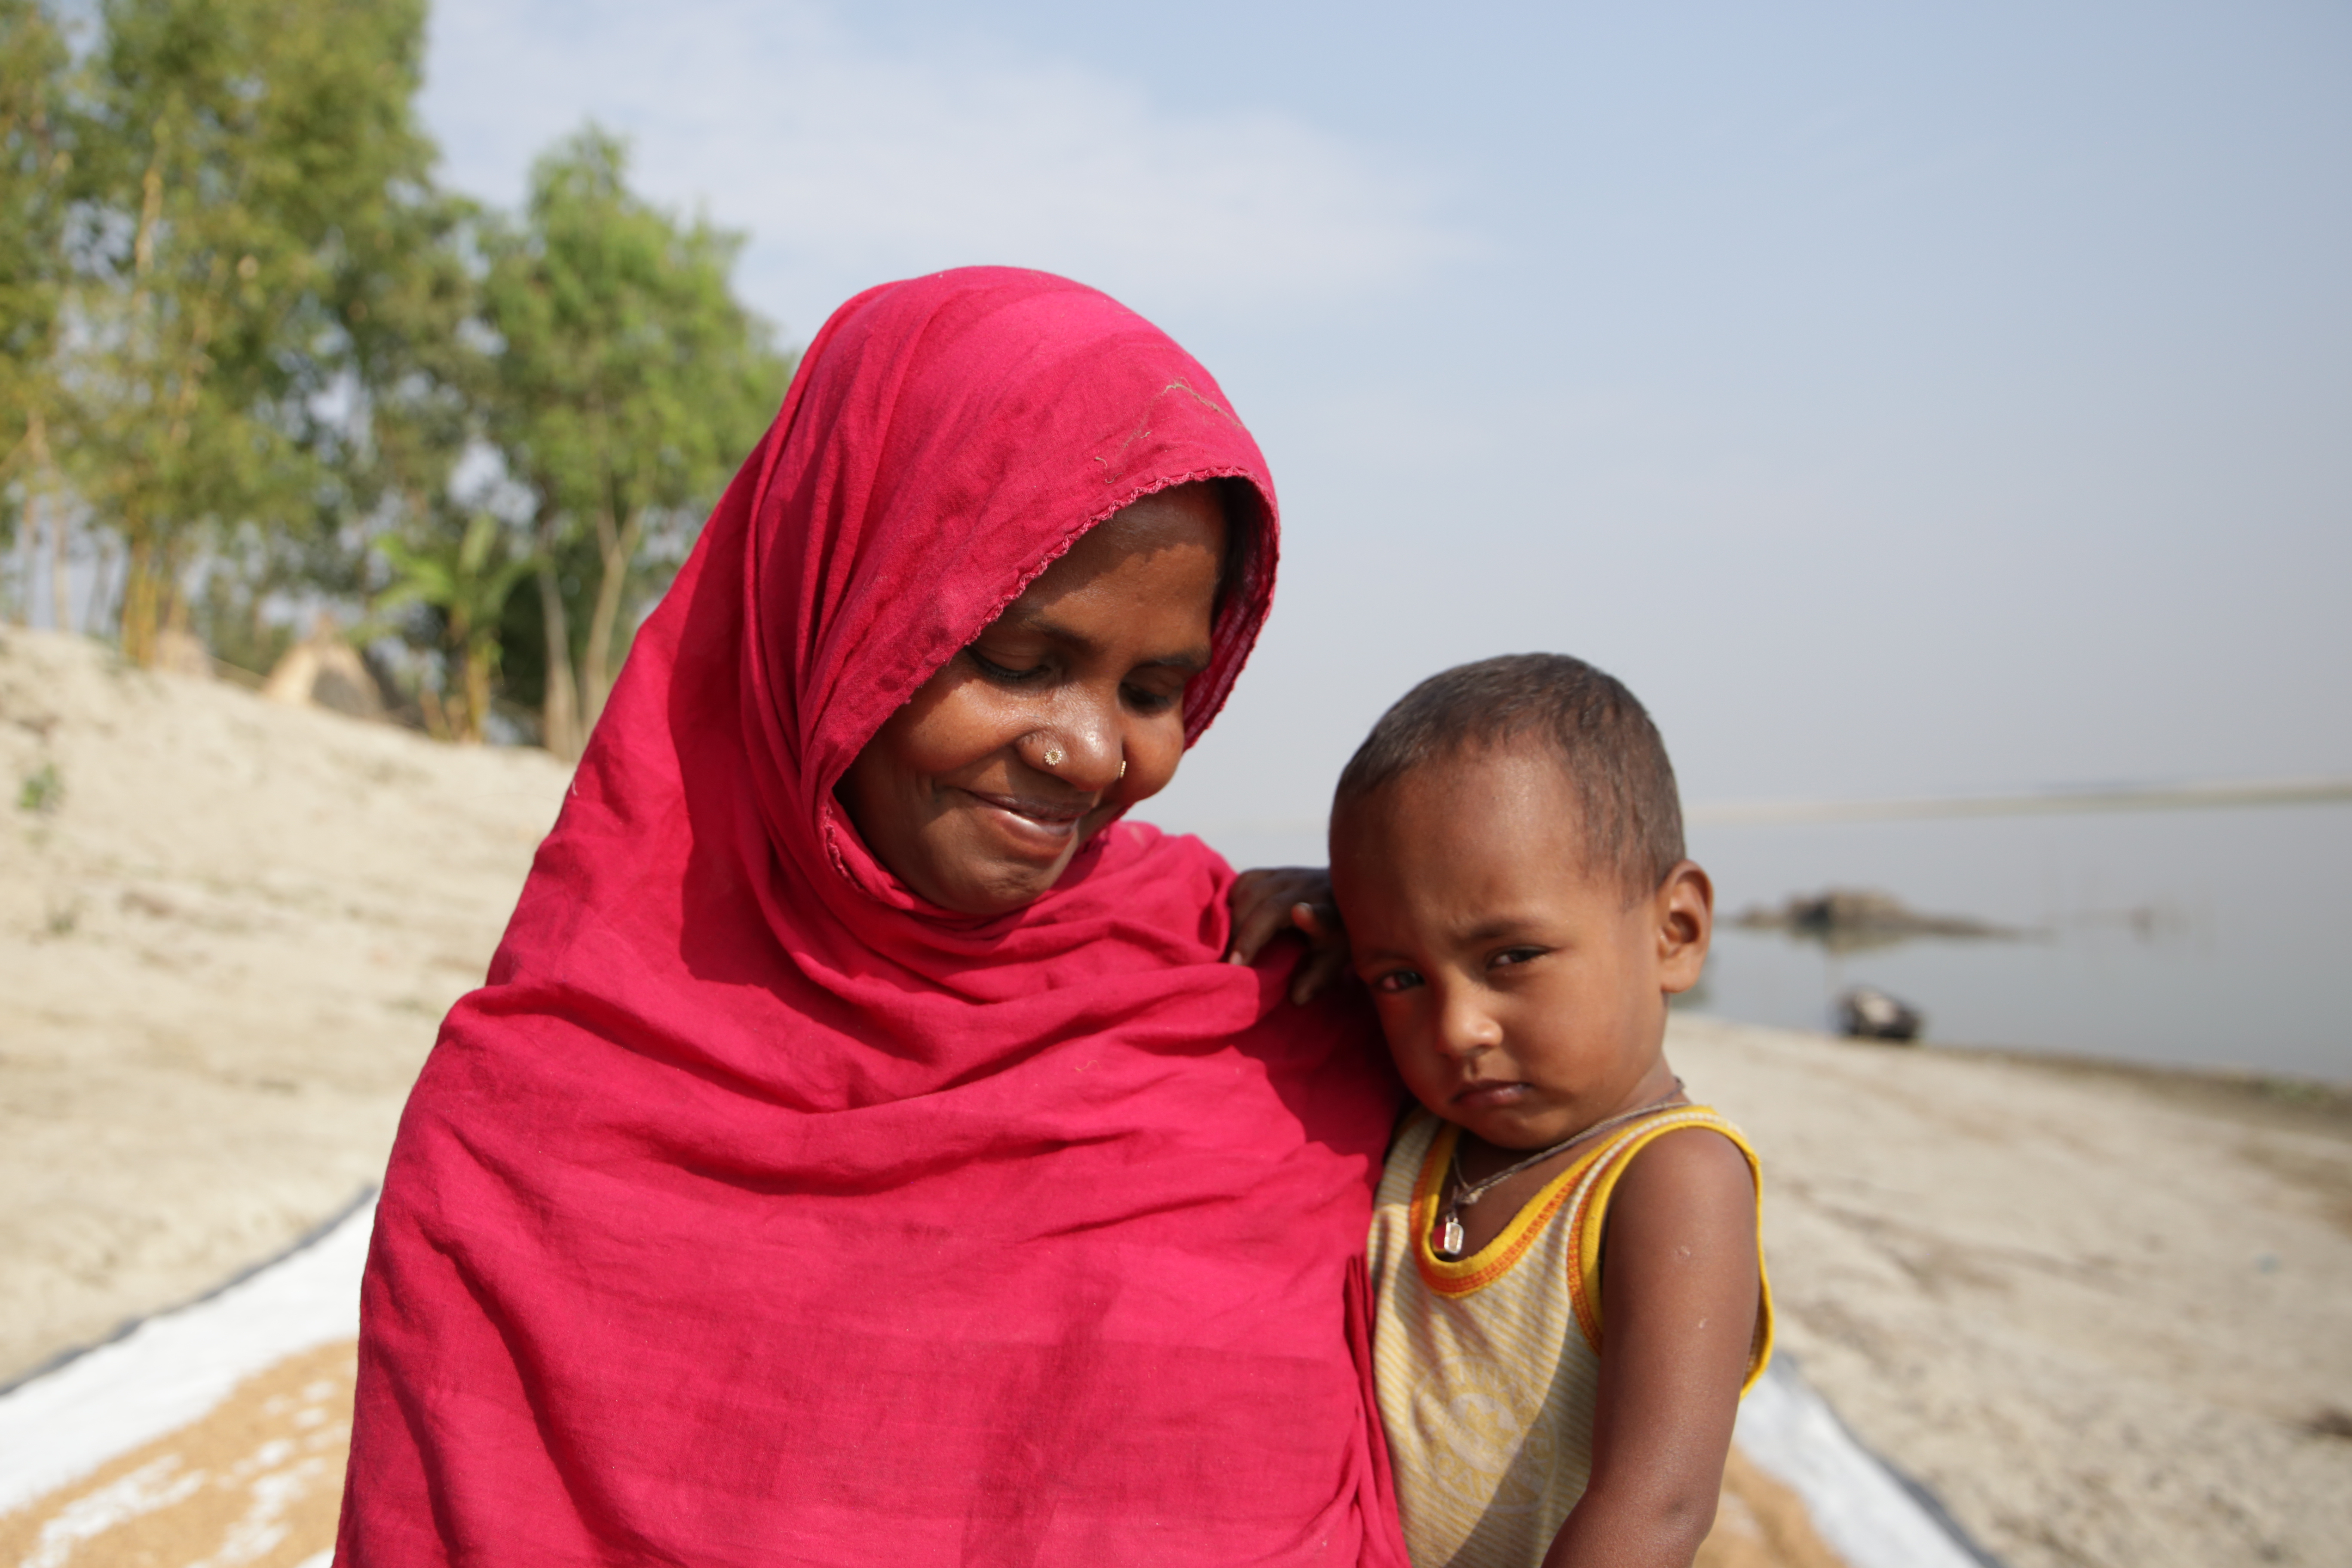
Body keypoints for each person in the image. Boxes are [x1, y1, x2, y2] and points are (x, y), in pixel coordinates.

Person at [334, 268, 1409, 1566]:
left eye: (1155, 688)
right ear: (842, 607)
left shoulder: (1258, 997)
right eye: (1019, 663)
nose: (1086, 754)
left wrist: (1395, 941)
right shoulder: (533, 1122)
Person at [1326, 654, 1773, 1568]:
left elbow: (1657, 1508)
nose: (1457, 1027)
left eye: (1514, 956)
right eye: (1401, 977)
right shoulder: (1430, 1136)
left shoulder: (1668, 1181)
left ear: (1674, 932)